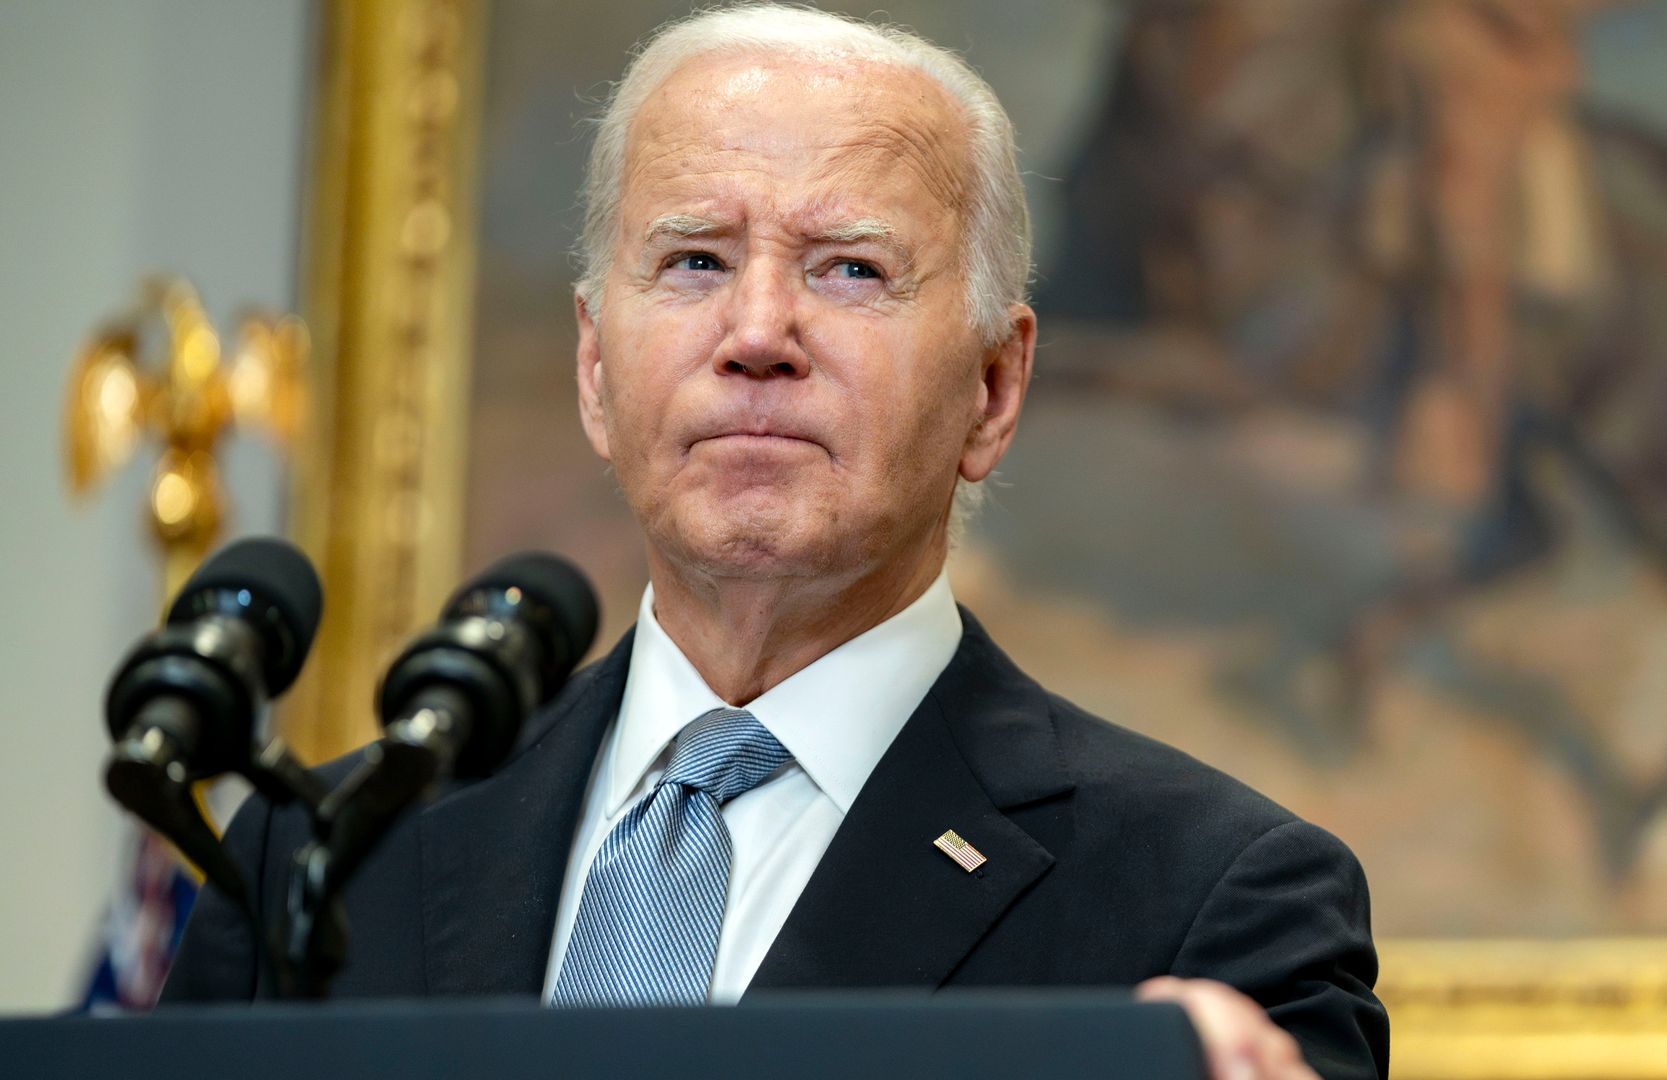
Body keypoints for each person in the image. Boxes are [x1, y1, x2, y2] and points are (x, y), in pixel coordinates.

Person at [163, 6, 1388, 1078]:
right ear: (596, 367)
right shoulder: (316, 858)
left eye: (850, 271)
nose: (757, 333)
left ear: (995, 388)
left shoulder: (1210, 907)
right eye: (694, 261)